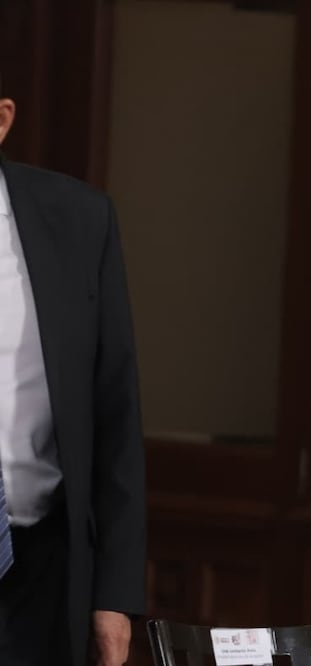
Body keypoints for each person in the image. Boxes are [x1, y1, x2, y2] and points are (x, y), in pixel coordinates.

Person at [0, 86, 145, 665]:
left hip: (41, 573)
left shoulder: (80, 221)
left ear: (3, 119)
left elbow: (116, 415)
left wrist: (114, 595)